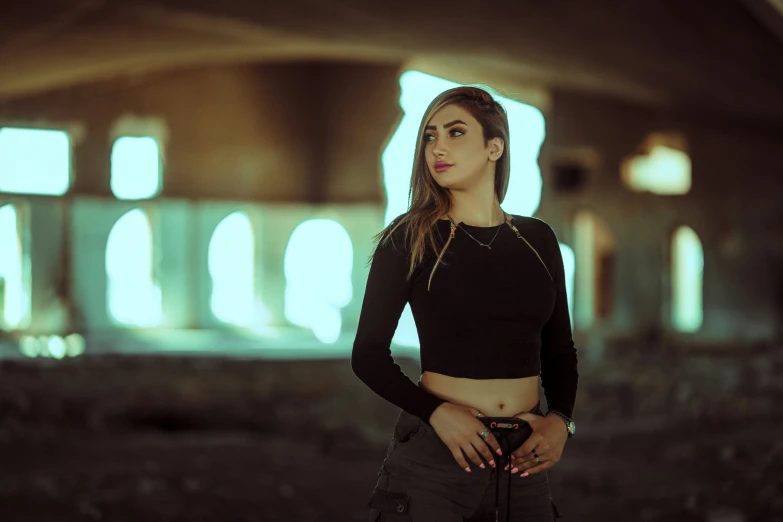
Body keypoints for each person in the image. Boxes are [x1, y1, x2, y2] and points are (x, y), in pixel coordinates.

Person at [351, 85, 578, 522]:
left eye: (455, 133)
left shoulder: (538, 240)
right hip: (439, 458)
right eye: (430, 135)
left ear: (495, 146)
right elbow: (368, 356)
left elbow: (559, 350)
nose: (437, 147)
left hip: (523, 462)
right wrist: (436, 413)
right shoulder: (410, 238)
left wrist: (561, 421)